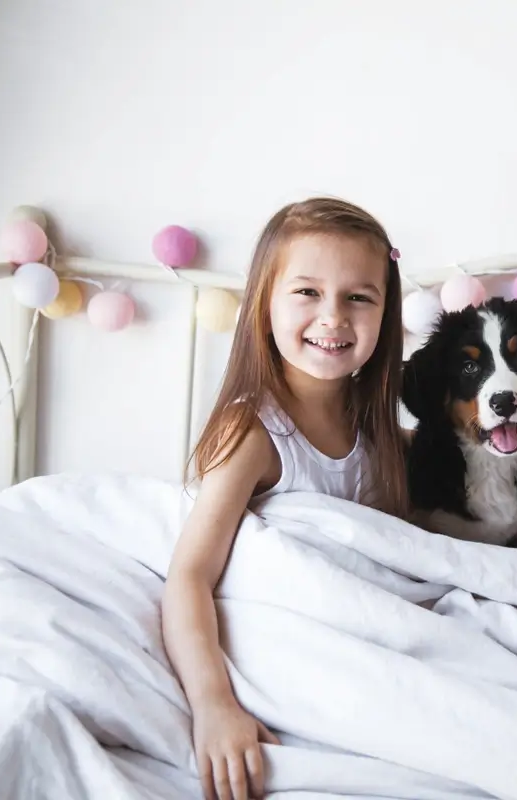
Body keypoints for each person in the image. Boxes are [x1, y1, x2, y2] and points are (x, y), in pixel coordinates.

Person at [162, 197, 408, 800]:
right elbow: (189, 576)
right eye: (307, 292)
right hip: (278, 646)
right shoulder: (254, 434)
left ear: (385, 313)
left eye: (359, 297)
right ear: (264, 304)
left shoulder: (379, 430)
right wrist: (213, 705)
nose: (334, 317)